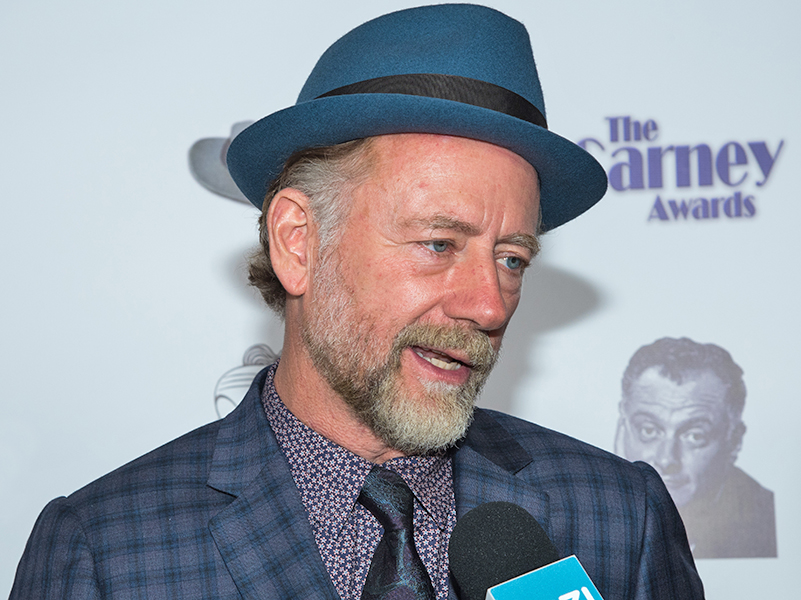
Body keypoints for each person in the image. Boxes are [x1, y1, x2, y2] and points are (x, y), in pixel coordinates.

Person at [10, 5, 704, 599]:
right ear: (298, 243)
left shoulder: (619, 516)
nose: (489, 307)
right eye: (438, 243)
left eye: (511, 258)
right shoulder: (108, 551)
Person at [616, 336, 777, 559]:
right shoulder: (587, 511)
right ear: (622, 426)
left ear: (734, 440)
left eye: (694, 436)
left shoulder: (764, 518)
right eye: (649, 430)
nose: (666, 459)